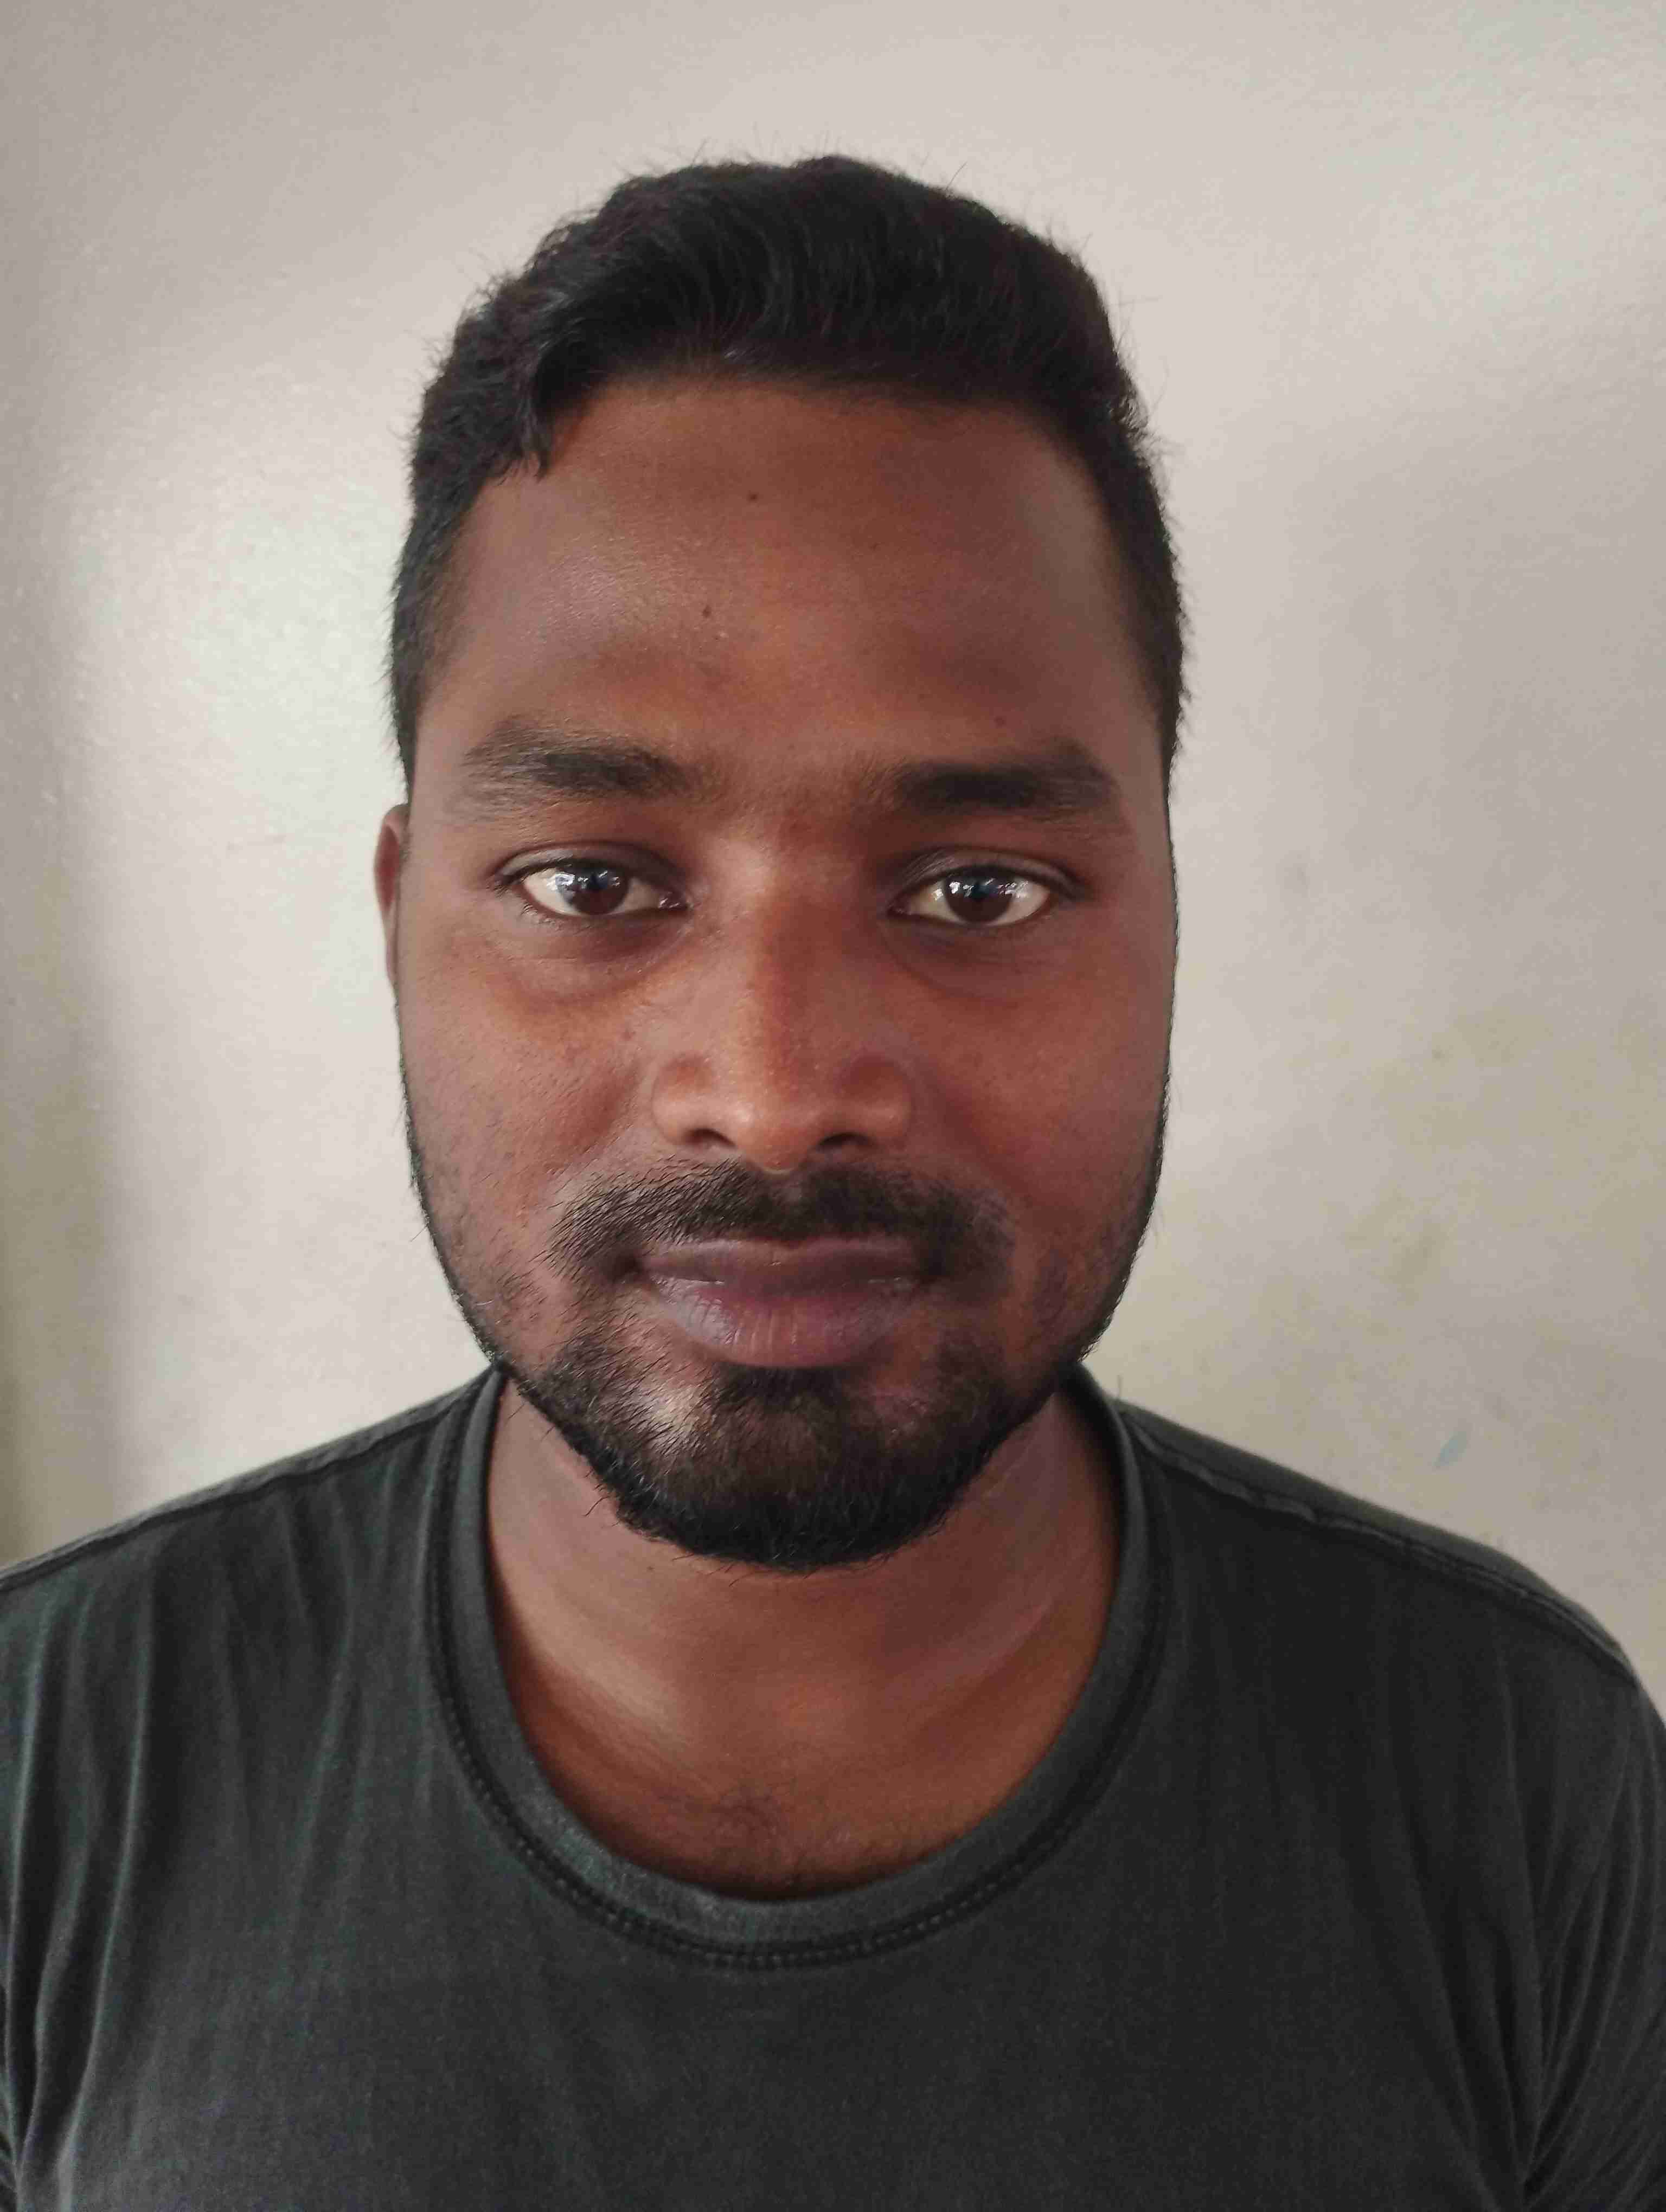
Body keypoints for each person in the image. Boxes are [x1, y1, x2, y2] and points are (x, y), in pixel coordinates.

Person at [0, 155, 1659, 2209]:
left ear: (1164, 922)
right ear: (402, 922)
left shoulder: (1520, 1782)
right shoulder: (49, 1771)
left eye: (977, 890)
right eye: (590, 884)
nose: (776, 1098)